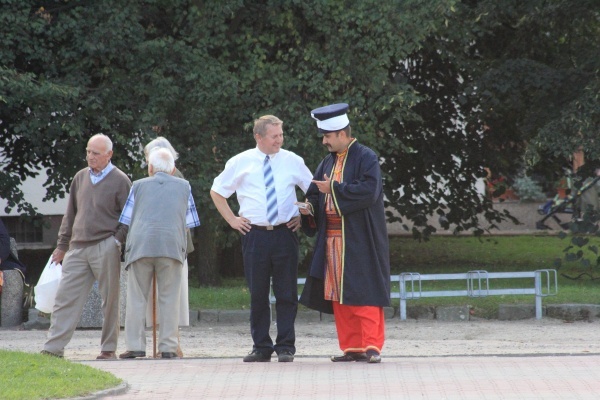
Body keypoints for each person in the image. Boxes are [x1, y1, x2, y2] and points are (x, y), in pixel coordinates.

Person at [210, 115, 312, 363]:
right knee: (258, 293)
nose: (280, 140)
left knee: (287, 291)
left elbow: (313, 192)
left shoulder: (292, 161)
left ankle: (286, 346)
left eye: (281, 135)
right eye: (274, 136)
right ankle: (261, 346)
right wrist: (232, 220)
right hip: (254, 234)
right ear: (259, 137)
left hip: (284, 233)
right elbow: (217, 191)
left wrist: (303, 212)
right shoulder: (240, 162)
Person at [298, 103, 391, 364]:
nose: (324, 142)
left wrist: (335, 189)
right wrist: (308, 209)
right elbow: (316, 193)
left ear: (341, 133)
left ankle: (372, 345)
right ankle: (352, 346)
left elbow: (369, 191)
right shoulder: (326, 161)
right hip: (332, 239)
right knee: (338, 293)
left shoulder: (366, 157)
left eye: (327, 136)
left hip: (360, 238)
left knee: (364, 290)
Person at [42, 134, 131, 359]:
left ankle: (108, 349)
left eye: (96, 153)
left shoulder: (121, 180)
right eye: (88, 152)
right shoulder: (80, 177)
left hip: (106, 245)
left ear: (109, 155)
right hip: (77, 247)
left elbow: (129, 216)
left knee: (109, 301)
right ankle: (53, 348)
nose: (90, 157)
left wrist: (117, 241)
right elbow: (70, 213)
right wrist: (62, 245)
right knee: (64, 298)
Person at [118, 148, 200, 359]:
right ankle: (168, 348)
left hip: (140, 247)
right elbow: (191, 222)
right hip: (171, 247)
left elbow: (126, 219)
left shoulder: (137, 186)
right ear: (173, 169)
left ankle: (135, 346)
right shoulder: (184, 186)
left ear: (151, 167)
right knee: (169, 298)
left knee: (136, 297)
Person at [142, 137, 193, 357]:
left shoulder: (173, 178)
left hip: (170, 246)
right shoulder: (155, 179)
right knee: (165, 298)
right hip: (164, 244)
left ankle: (172, 344)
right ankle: (170, 344)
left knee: (170, 297)